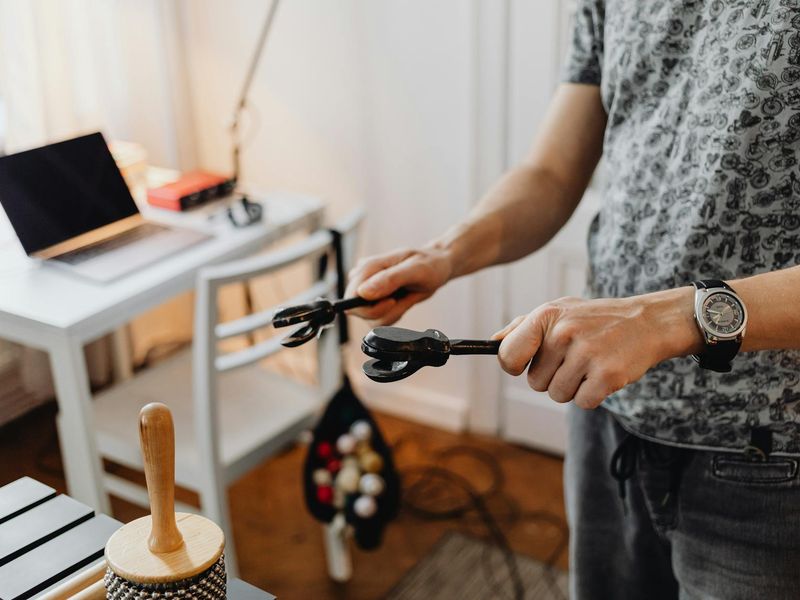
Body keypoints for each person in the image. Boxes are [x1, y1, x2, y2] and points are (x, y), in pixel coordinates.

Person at [345, 2, 800, 599]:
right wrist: (446, 252)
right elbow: (552, 173)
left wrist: (671, 317)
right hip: (604, 412)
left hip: (766, 454)